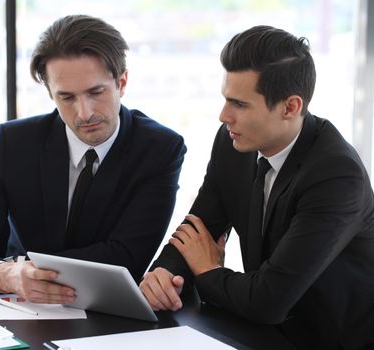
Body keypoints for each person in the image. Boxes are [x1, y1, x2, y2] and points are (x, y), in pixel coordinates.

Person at [140, 25, 374, 350]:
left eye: (240, 104)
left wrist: (207, 270)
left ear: (290, 107)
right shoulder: (234, 143)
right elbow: (198, 229)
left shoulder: (336, 175)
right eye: (225, 99)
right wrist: (165, 275)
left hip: (329, 340)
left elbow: (268, 301)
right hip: (258, 332)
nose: (224, 116)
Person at [0, 14, 186, 305]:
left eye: (96, 92)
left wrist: (27, 265)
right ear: (50, 94)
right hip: (22, 314)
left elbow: (126, 258)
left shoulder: (159, 148)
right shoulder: (12, 143)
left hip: (109, 321)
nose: (84, 113)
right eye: (66, 98)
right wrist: (7, 274)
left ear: (122, 82)